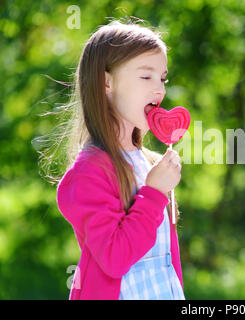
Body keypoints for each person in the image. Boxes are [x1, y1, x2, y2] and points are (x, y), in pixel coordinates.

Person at [55, 20, 184, 300]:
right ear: (106, 82)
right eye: (146, 76)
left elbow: (164, 261)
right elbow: (114, 258)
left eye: (162, 78)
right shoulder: (89, 172)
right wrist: (154, 193)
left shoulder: (148, 162)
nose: (159, 89)